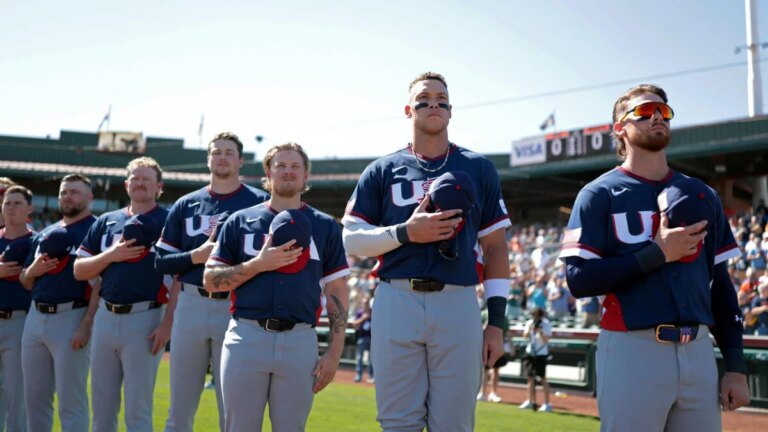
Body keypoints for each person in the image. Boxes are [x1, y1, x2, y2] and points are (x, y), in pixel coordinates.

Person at [559, 84, 750, 431]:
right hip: (633, 348)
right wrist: (657, 254)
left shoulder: (702, 193)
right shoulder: (597, 194)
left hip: (698, 351)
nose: (657, 117)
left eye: (664, 112)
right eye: (645, 112)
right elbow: (579, 280)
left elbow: (720, 285)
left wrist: (735, 366)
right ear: (620, 128)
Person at [342, 72, 511, 431]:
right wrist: (407, 232)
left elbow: (495, 247)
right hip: (396, 298)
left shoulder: (478, 168)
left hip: (458, 300)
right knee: (397, 421)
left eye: (441, 99)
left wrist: (496, 322)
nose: (433, 104)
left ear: (451, 111)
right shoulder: (382, 169)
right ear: (408, 109)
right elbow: (352, 240)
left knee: (454, 423)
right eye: (424, 99)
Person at [203, 142, 350, 431]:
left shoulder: (325, 227)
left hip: (300, 340)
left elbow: (337, 293)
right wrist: (259, 263)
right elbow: (210, 280)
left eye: (295, 166)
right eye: (280, 166)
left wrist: (334, 352)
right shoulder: (240, 221)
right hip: (246, 336)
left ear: (306, 175)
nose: (288, 172)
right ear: (267, 174)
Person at [155, 132, 269, 432]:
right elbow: (160, 262)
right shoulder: (186, 204)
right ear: (208, 159)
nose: (222, 156)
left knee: (231, 408)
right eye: (216, 151)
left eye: (229, 152)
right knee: (179, 409)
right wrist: (197, 255)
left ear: (240, 160)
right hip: (191, 303)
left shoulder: (260, 202)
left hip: (236, 307)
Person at [73, 157, 172, 431]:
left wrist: (167, 324)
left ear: (158, 187)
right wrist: (111, 255)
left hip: (147, 316)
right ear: (127, 185)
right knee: (101, 409)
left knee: (137, 410)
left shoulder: (168, 221)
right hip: (106, 315)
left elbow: (178, 279)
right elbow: (80, 270)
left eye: (147, 179)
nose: (140, 184)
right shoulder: (106, 221)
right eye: (135, 179)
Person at [19, 174, 98, 432]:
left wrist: (87, 324)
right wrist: (32, 271)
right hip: (36, 315)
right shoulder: (46, 233)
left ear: (89, 198)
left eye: (75, 192)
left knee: (70, 401)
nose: (68, 197)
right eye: (64, 192)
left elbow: (102, 283)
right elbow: (26, 280)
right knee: (34, 400)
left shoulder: (97, 229)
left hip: (73, 315)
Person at [0, 185, 34, 431]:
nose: (11, 207)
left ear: (29, 209)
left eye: (17, 203)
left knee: (16, 392)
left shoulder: (38, 240)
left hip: (20, 320)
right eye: (7, 203)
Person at [519, 307, 552, 412]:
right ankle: (529, 401)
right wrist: (529, 330)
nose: (533, 317)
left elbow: (546, 340)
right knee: (530, 377)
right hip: (530, 352)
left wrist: (540, 332)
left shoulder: (546, 324)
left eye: (535, 315)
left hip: (541, 353)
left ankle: (547, 403)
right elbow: (524, 336)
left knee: (542, 378)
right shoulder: (529, 323)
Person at [478, 307, 512, 403]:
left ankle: (493, 393)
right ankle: (482, 393)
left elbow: (505, 333)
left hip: (496, 345)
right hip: (485, 345)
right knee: (485, 371)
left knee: (496, 371)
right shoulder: (484, 314)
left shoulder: (503, 317)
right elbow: (479, 330)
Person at [351, 292, 374, 383]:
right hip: (362, 338)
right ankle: (359, 375)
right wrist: (363, 318)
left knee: (371, 359)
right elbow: (354, 324)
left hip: (372, 339)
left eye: (367, 303)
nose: (365, 305)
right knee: (359, 357)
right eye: (364, 303)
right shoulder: (360, 313)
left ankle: (371, 376)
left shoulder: (373, 312)